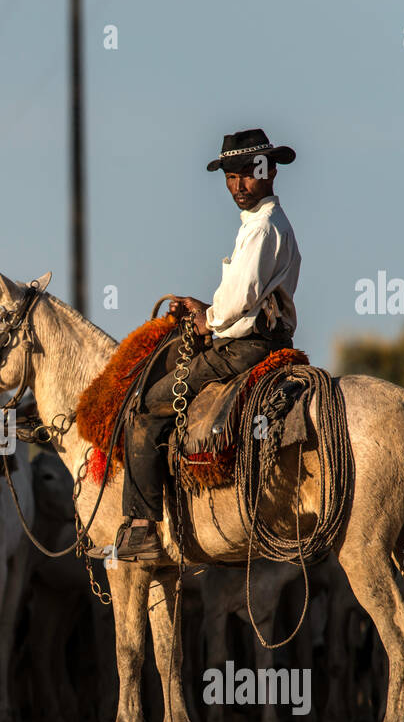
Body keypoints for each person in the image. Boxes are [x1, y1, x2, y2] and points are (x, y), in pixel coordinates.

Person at [107, 128, 302, 561]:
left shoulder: (263, 228)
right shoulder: (263, 224)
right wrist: (207, 309)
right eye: (230, 177)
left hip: (246, 346)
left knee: (147, 405)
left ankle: (142, 530)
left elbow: (240, 298)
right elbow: (243, 295)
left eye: (246, 175)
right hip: (258, 336)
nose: (237, 186)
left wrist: (207, 320)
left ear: (269, 172)